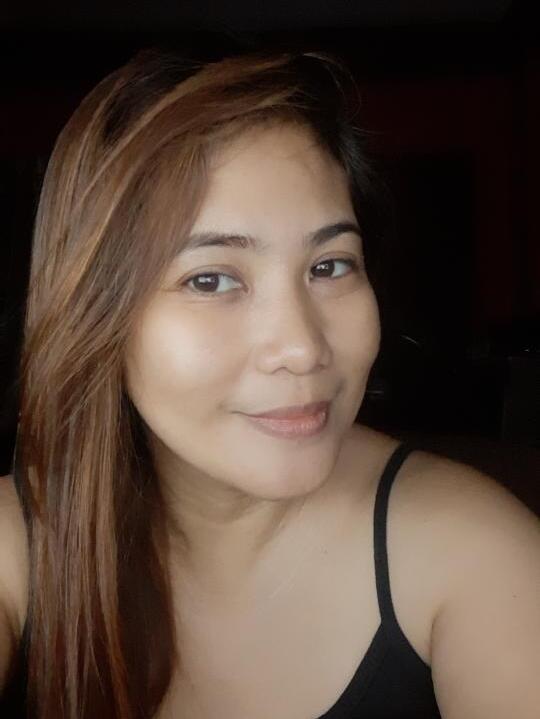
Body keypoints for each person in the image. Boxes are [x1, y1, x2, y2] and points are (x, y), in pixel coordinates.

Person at [0, 44, 538, 719]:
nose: (302, 348)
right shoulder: (21, 544)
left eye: (330, 265)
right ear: (95, 315)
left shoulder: (474, 554)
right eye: (210, 279)